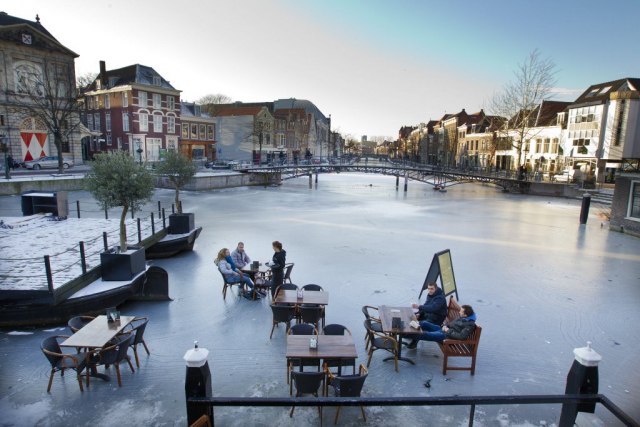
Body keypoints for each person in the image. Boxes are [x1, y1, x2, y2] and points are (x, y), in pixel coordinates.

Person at [405, 304, 476, 349]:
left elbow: (461, 336)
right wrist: (445, 326)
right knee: (424, 323)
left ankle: (404, 334)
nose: (459, 312)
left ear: (466, 315)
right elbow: (451, 324)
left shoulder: (470, 324)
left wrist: (447, 330)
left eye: (461, 311)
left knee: (426, 334)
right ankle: (406, 327)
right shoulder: (463, 317)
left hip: (448, 337)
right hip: (444, 330)